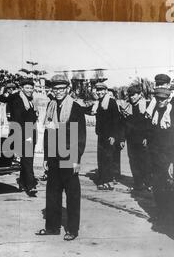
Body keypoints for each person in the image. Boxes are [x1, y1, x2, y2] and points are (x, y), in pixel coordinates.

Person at [36, 74, 86, 241]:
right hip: (53, 157)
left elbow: (80, 137)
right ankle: (52, 227)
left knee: (72, 194)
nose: (57, 92)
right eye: (55, 89)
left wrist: (76, 159)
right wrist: (45, 156)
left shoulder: (76, 108)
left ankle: (72, 229)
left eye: (61, 89)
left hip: (69, 155)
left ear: (67, 89)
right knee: (52, 193)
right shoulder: (51, 106)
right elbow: (48, 133)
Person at [148, 77, 174, 228]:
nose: (160, 101)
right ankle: (160, 213)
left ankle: (169, 217)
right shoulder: (154, 109)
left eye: (163, 99)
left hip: (168, 156)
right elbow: (151, 131)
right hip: (155, 155)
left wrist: (172, 161)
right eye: (157, 98)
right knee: (157, 186)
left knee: (169, 188)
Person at [87, 82, 123, 190]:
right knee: (101, 159)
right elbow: (90, 111)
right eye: (98, 90)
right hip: (101, 135)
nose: (100, 92)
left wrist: (113, 135)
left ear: (106, 91)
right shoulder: (98, 103)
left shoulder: (111, 102)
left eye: (102, 90)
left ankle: (108, 181)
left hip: (109, 136)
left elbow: (116, 120)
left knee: (108, 158)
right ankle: (102, 180)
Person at [8, 78, 39, 196]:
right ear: (22, 88)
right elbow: (17, 119)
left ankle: (22, 182)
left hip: (30, 132)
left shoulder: (30, 100)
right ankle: (31, 185)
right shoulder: (18, 100)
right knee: (28, 160)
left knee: (26, 159)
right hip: (23, 134)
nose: (29, 90)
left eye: (31, 88)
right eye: (27, 88)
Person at [122, 84, 152, 193]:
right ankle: (138, 183)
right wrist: (123, 138)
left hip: (143, 140)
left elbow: (149, 124)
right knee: (133, 162)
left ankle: (149, 183)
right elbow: (124, 125)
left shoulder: (146, 106)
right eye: (130, 95)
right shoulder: (127, 107)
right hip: (131, 139)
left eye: (134, 95)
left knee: (145, 161)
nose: (132, 97)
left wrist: (146, 137)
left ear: (140, 95)